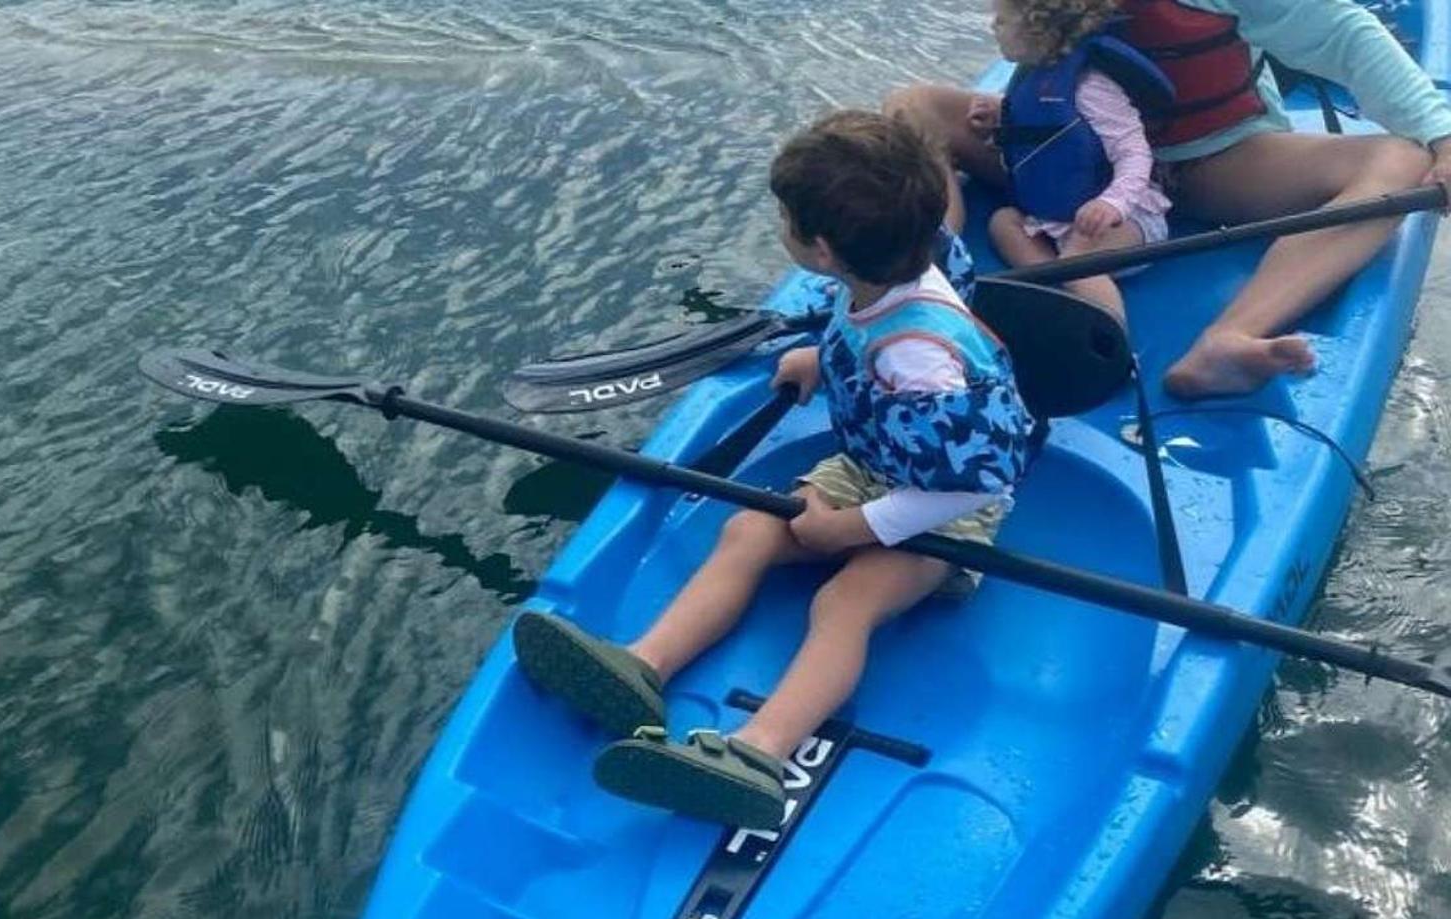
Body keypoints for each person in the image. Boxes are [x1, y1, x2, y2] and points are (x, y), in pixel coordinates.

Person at [511, 111, 1037, 828]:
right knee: (750, 530)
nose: (782, 226)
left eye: (786, 219)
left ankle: (761, 751)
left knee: (845, 602)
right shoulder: (901, 266)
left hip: (943, 510)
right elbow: (871, 328)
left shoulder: (921, 359)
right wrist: (824, 356)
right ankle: (644, 665)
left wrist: (852, 528)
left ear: (821, 249)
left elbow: (972, 480)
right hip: (875, 462)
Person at [891, 0, 1451, 398]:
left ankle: (1228, 339)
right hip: (1077, 164)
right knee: (915, 108)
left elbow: (1343, 34)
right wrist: (1013, 112)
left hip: (1209, 164)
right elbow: (1050, 54)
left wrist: (1442, 135)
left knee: (1402, 161)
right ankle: (924, 277)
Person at [987, 0, 1173, 326]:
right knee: (1003, 222)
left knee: (1078, 256)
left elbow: (1134, 153)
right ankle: (1053, 284)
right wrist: (993, 121)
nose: (993, 27)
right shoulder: (1032, 77)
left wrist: (1112, 203)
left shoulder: (1090, 87)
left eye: (1001, 21)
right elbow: (1036, 134)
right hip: (1057, 219)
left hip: (1122, 220)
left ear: (1038, 31)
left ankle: (1111, 338)